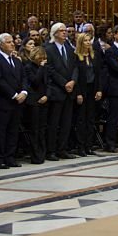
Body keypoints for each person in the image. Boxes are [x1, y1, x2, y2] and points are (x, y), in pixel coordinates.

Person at [0, 33, 27, 168]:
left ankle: (10, 156)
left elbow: (24, 77)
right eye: (8, 42)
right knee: (1, 131)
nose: (12, 44)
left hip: (18, 102)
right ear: (0, 44)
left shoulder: (17, 61)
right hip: (4, 101)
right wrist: (13, 94)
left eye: (12, 42)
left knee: (13, 130)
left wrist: (24, 92)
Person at [45, 22, 77, 160]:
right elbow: (50, 69)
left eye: (65, 30)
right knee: (54, 122)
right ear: (55, 33)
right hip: (57, 90)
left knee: (66, 122)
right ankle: (51, 150)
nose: (65, 33)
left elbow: (76, 66)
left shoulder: (69, 48)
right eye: (62, 31)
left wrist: (73, 81)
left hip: (69, 90)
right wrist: (64, 83)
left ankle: (62, 149)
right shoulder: (48, 48)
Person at [73, 32, 103, 156]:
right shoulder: (75, 56)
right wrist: (78, 93)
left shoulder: (94, 56)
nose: (88, 42)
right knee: (81, 120)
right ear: (81, 42)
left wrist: (99, 90)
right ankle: (80, 146)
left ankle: (89, 146)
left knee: (91, 119)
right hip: (81, 90)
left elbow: (99, 74)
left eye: (89, 40)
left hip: (92, 89)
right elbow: (76, 76)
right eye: (85, 40)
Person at [23, 46, 50, 163]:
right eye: (40, 56)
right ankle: (35, 155)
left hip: (44, 99)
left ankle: (43, 153)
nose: (42, 59)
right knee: (34, 129)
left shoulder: (45, 68)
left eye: (44, 57)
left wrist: (47, 95)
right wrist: (41, 68)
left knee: (43, 128)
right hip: (33, 101)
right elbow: (35, 82)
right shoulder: (28, 67)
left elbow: (49, 82)